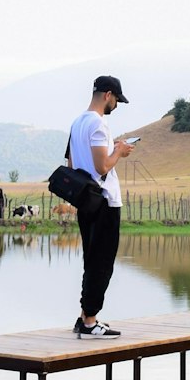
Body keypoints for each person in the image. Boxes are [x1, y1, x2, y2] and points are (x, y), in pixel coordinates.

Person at [67, 75, 133, 338]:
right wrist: (120, 152)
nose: (116, 105)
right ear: (108, 95)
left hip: (86, 201)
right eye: (116, 99)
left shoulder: (77, 123)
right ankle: (91, 321)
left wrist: (111, 149)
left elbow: (73, 165)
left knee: (91, 259)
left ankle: (85, 317)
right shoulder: (98, 125)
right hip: (105, 200)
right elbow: (102, 166)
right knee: (103, 261)